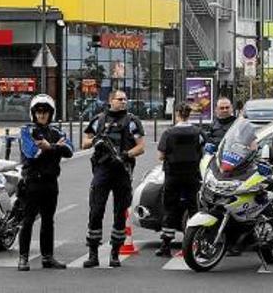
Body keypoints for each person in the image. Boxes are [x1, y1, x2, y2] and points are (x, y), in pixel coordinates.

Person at [81, 89, 146, 268]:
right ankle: (93, 254)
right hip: (102, 170)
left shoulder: (132, 122)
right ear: (111, 101)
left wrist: (125, 155)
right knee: (96, 211)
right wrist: (96, 141)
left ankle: (115, 253)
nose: (124, 102)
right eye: (120, 99)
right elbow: (84, 142)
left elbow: (141, 147)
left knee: (120, 213)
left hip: (122, 172)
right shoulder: (99, 120)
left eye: (125, 99)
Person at [16, 94, 74, 271]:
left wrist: (50, 147)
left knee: (48, 221)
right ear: (33, 113)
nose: (42, 115)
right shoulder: (26, 130)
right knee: (27, 221)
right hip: (32, 182)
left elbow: (70, 149)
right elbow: (31, 152)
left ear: (51, 113)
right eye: (39, 112)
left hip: (50, 182)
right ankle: (23, 258)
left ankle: (47, 257)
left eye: (45, 112)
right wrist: (55, 148)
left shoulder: (56, 131)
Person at [155, 102, 204, 256]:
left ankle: (166, 245)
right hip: (192, 174)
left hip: (173, 175)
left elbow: (161, 155)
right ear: (189, 114)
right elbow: (203, 150)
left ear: (177, 114)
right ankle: (195, 243)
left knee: (170, 208)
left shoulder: (168, 133)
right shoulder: (198, 132)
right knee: (193, 208)